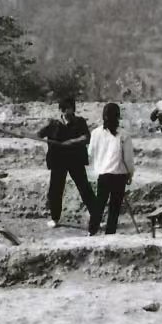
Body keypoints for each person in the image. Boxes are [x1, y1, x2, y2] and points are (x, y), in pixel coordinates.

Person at [36, 97, 97, 228]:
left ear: (73, 109)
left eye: (68, 109)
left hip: (75, 160)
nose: (65, 112)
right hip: (58, 161)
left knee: (84, 188)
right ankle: (55, 218)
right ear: (60, 110)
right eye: (63, 109)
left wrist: (71, 142)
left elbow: (86, 137)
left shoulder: (80, 122)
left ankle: (96, 215)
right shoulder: (54, 124)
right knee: (55, 190)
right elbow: (39, 135)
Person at [87, 103, 135, 235]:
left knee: (99, 204)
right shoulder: (124, 135)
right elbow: (128, 159)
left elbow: (90, 153)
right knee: (114, 207)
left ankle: (92, 230)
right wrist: (130, 173)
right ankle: (110, 233)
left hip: (103, 174)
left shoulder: (95, 133)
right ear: (118, 116)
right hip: (119, 175)